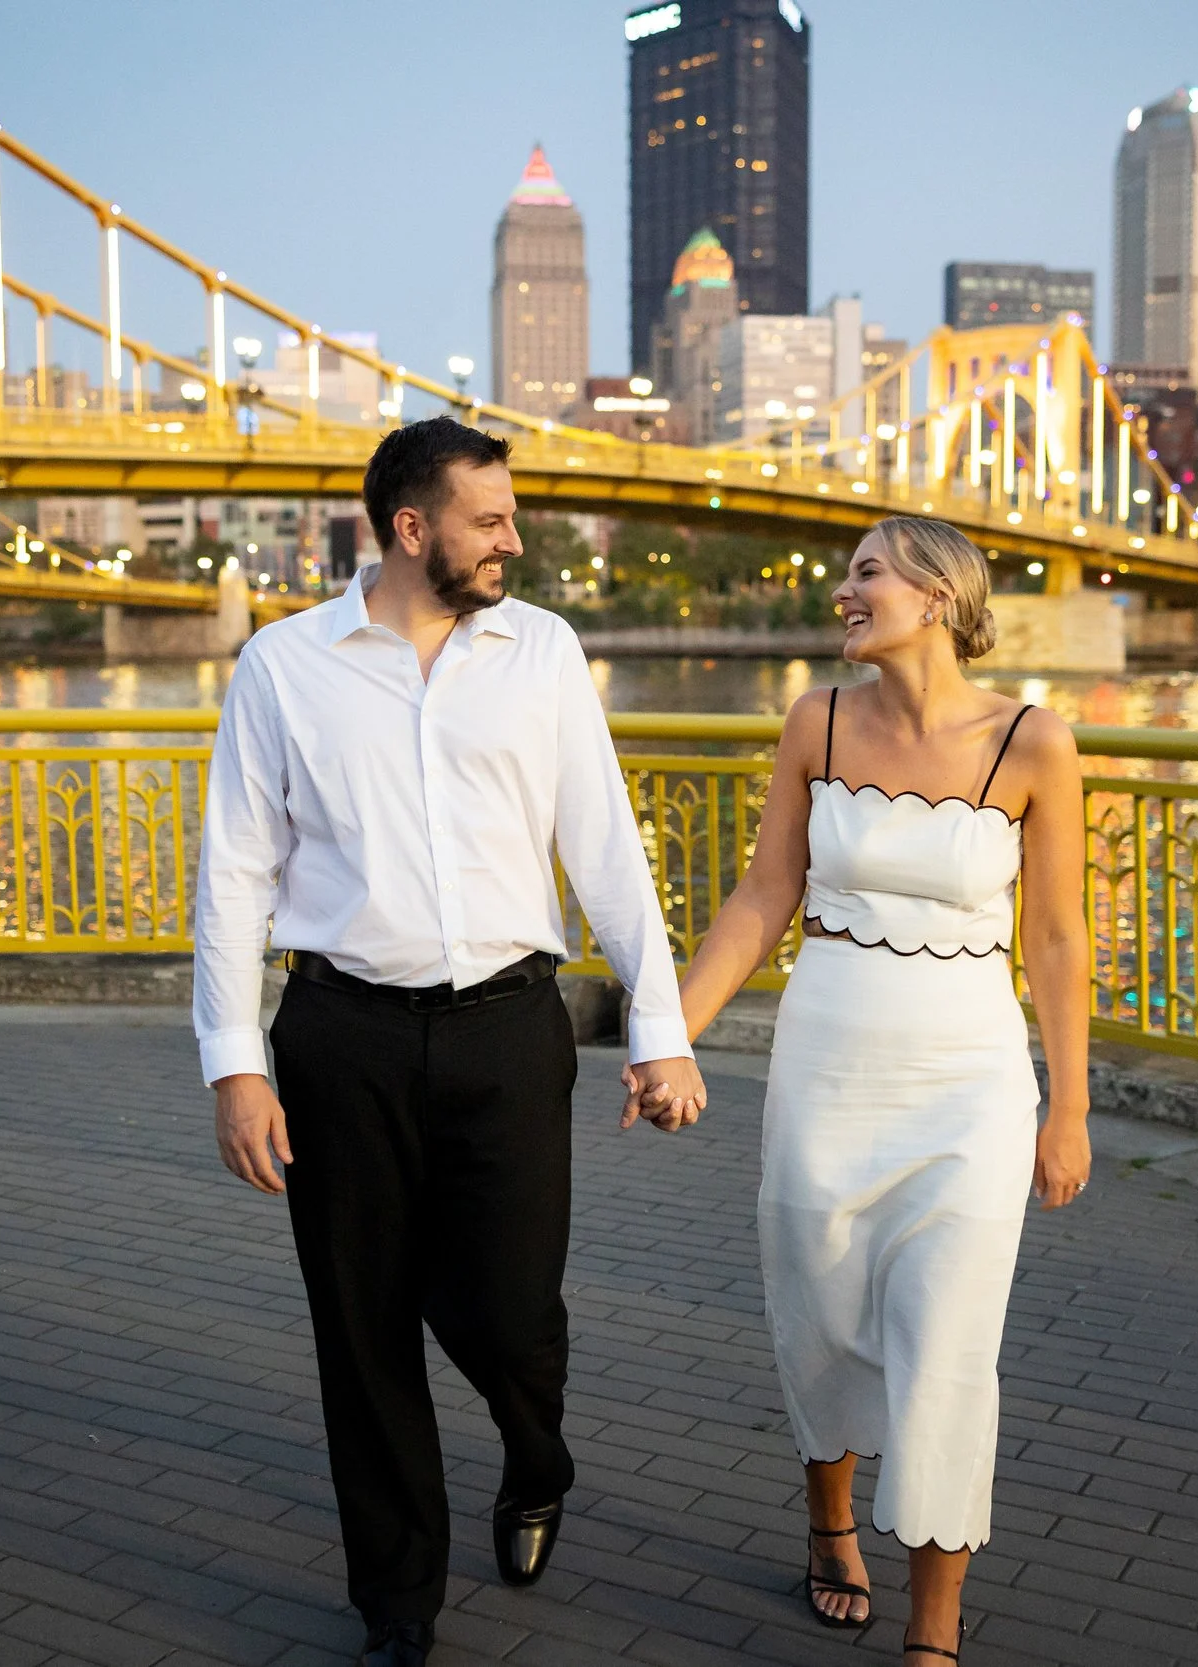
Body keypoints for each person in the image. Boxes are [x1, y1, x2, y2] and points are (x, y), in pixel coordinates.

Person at [195, 416, 709, 1667]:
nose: (513, 540)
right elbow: (234, 874)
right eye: (490, 521)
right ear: (412, 529)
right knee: (362, 1328)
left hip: (508, 1033)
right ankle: (398, 1603)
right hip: (341, 1038)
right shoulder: (282, 665)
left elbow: (606, 849)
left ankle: (537, 1456)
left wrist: (660, 1030)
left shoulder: (541, 651)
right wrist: (235, 1062)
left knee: (510, 1306)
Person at [631, 515, 1091, 1663]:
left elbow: (1055, 938)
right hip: (827, 1066)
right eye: (845, 575)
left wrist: (1069, 1105)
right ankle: (828, 1518)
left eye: (865, 574)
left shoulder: (1033, 742)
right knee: (822, 1314)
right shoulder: (816, 721)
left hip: (970, 1085)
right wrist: (663, 1035)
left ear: (935, 593)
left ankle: (933, 1631)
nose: (843, 593)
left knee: (947, 1346)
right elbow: (760, 896)